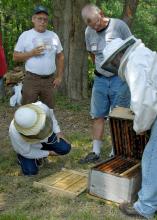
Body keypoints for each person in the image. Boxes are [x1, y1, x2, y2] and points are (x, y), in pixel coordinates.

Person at [101, 35, 157, 219]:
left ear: (119, 56)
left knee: (151, 157)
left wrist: (140, 126)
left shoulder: (135, 63)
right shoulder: (143, 54)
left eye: (114, 62)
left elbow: (145, 102)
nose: (115, 66)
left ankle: (145, 208)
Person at [79, 4, 132, 163]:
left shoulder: (119, 26)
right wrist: (101, 70)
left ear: (101, 14)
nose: (95, 27)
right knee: (97, 115)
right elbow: (92, 55)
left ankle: (116, 151)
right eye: (90, 25)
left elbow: (131, 47)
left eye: (96, 22)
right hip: (100, 80)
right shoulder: (89, 32)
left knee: (118, 116)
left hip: (119, 79)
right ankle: (95, 152)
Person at [13, 5, 64, 109]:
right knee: (27, 111)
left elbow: (60, 56)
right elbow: (15, 57)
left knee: (49, 111)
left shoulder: (53, 36)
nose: (42, 22)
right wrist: (31, 53)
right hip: (31, 79)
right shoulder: (26, 35)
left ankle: (47, 126)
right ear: (33, 19)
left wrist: (59, 77)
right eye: (39, 19)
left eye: (45, 19)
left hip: (49, 80)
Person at [9, 101, 71, 176]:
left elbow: (51, 115)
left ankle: (39, 156)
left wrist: (58, 131)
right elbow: (26, 152)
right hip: (29, 147)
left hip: (46, 138)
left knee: (65, 148)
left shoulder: (41, 107)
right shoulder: (14, 132)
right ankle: (21, 158)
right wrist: (48, 153)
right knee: (30, 172)